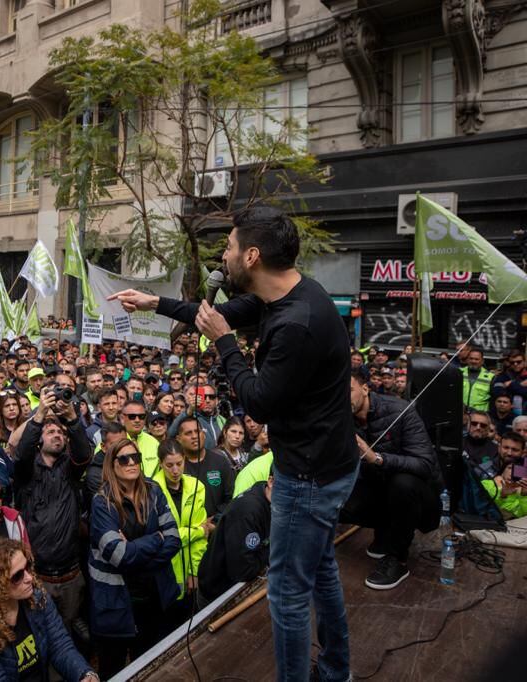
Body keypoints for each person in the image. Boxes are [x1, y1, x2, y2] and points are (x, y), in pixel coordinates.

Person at [110, 206, 359, 681]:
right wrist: (153, 303)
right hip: (322, 465)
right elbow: (212, 316)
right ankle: (335, 671)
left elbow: (259, 403)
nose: (221, 257)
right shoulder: (281, 295)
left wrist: (226, 344)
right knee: (322, 570)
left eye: (227, 247)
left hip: (308, 476)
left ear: (251, 255)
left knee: (287, 592)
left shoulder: (296, 323)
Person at [88, 438, 181, 678]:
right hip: (118, 604)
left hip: (155, 598)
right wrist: (155, 539)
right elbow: (120, 555)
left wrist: (134, 549)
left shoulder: (154, 491)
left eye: (136, 458)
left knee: (153, 666)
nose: (132, 463)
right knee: (115, 671)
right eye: (124, 459)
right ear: (112, 464)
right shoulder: (101, 503)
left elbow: (174, 539)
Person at [344, 372, 443, 589]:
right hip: (381, 490)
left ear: (365, 388)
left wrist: (377, 458)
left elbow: (425, 463)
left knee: (402, 484)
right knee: (341, 498)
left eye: (348, 390)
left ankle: (398, 558)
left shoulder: (399, 410)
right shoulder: (344, 419)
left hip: (421, 496)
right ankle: (385, 531)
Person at [0, 539, 98, 682]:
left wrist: (84, 674)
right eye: (18, 576)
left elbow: (60, 646)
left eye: (28, 567)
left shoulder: (37, 599)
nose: (29, 578)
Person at [10, 385, 92, 631]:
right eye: (50, 431)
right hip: (38, 576)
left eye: (60, 432)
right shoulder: (26, 470)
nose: (57, 435)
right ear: (38, 440)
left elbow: (83, 453)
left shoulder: (70, 468)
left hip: (71, 575)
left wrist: (72, 418)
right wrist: (39, 416)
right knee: (41, 633)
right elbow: (21, 451)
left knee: (68, 632)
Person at [197, 476, 273, 606]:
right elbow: (243, 571)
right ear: (271, 482)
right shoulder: (248, 511)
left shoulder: (270, 499)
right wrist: (272, 551)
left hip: (241, 587)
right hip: (219, 595)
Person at [152, 439, 208, 607]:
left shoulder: (196, 486)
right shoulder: (151, 491)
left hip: (190, 573)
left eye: (179, 463)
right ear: (160, 463)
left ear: (184, 459)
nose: (175, 470)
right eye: (169, 465)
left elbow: (200, 542)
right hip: (165, 573)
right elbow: (161, 538)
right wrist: (197, 531)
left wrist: (194, 570)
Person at [176, 416, 236, 519]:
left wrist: (214, 521)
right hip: (188, 529)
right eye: (188, 433)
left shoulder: (220, 462)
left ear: (203, 435)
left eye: (197, 431)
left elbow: (231, 498)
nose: (194, 436)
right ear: (179, 439)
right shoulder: (176, 467)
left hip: (217, 527)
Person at [120, 400, 160, 477]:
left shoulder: (154, 443)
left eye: (141, 417)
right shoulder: (113, 440)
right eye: (132, 416)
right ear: (122, 418)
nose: (137, 420)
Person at [461, 346, 494, 412]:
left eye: (476, 359)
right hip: (460, 413)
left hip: (480, 416)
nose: (473, 361)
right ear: (467, 359)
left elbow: (493, 400)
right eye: (471, 358)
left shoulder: (491, 377)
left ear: (482, 361)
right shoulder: (459, 373)